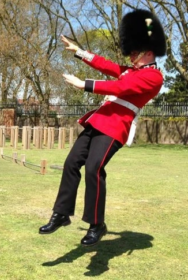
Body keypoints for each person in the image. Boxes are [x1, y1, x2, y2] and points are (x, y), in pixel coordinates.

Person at [39, 9, 166, 246]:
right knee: (72, 162)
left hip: (116, 126)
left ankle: (97, 224)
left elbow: (119, 88)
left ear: (149, 53)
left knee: (94, 168)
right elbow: (107, 65)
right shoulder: (133, 70)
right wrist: (79, 52)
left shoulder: (154, 77)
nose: (130, 56)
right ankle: (62, 214)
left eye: (135, 52)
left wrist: (83, 85)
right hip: (99, 120)